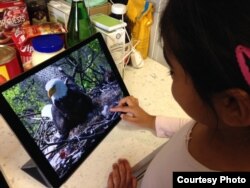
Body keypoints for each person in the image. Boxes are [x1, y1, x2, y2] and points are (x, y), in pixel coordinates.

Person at [107, 0, 250, 187]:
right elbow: (187, 130)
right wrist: (151, 121)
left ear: (233, 105)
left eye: (172, 71)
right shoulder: (219, 125)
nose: (171, 77)